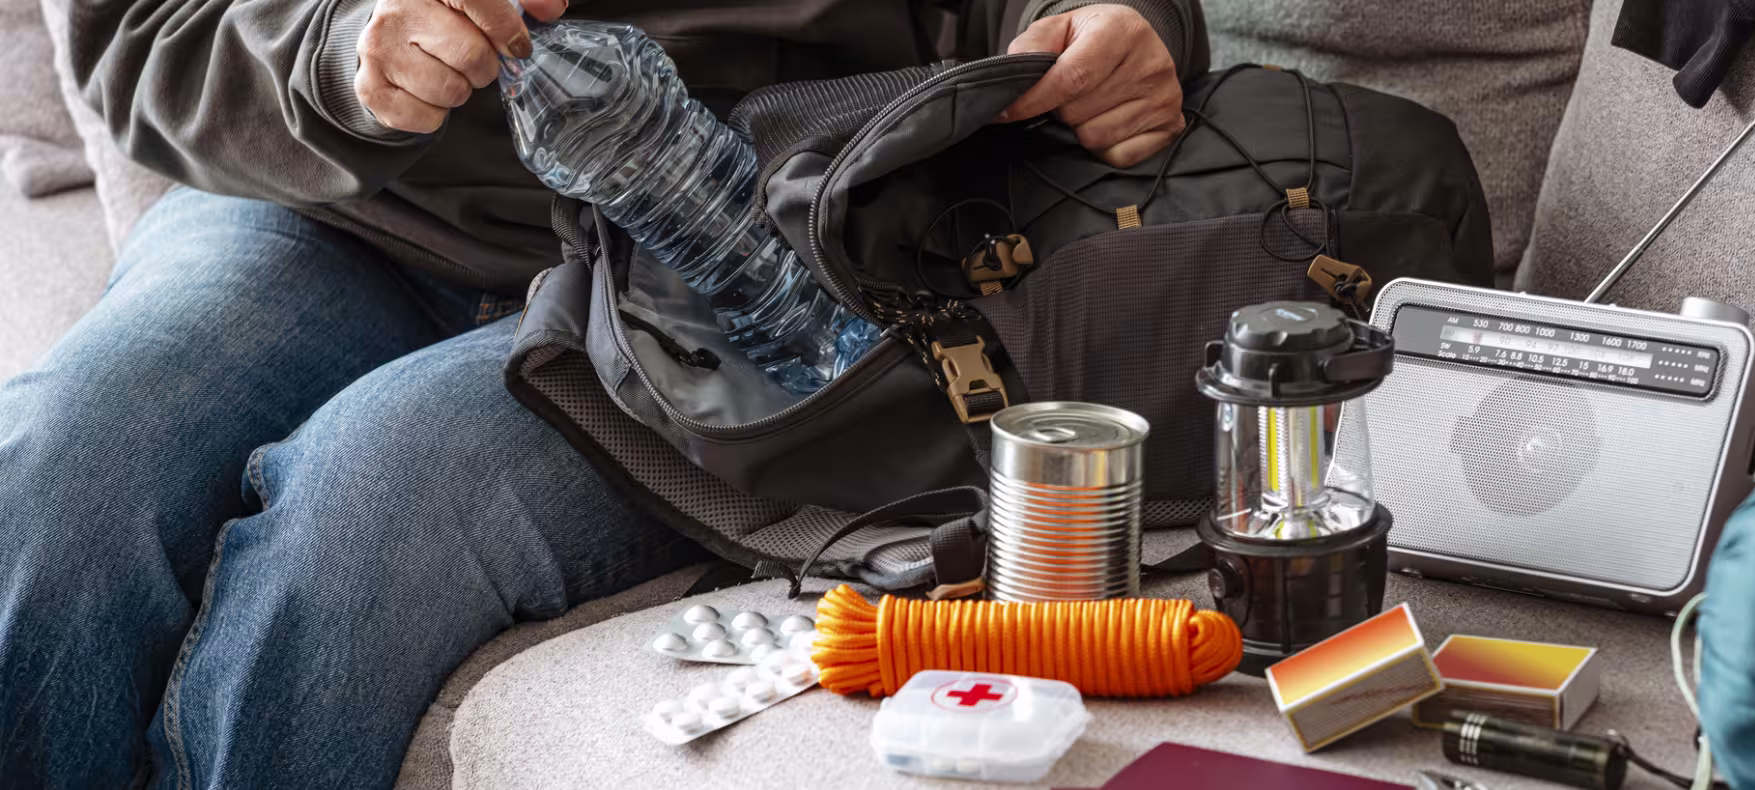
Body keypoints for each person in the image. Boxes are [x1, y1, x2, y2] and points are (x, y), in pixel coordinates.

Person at [0, 0, 1207, 785]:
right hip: (326, 207)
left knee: (366, 511)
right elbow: (140, 33)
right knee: (66, 466)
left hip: (728, 246)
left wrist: (1117, 28)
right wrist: (334, 50)